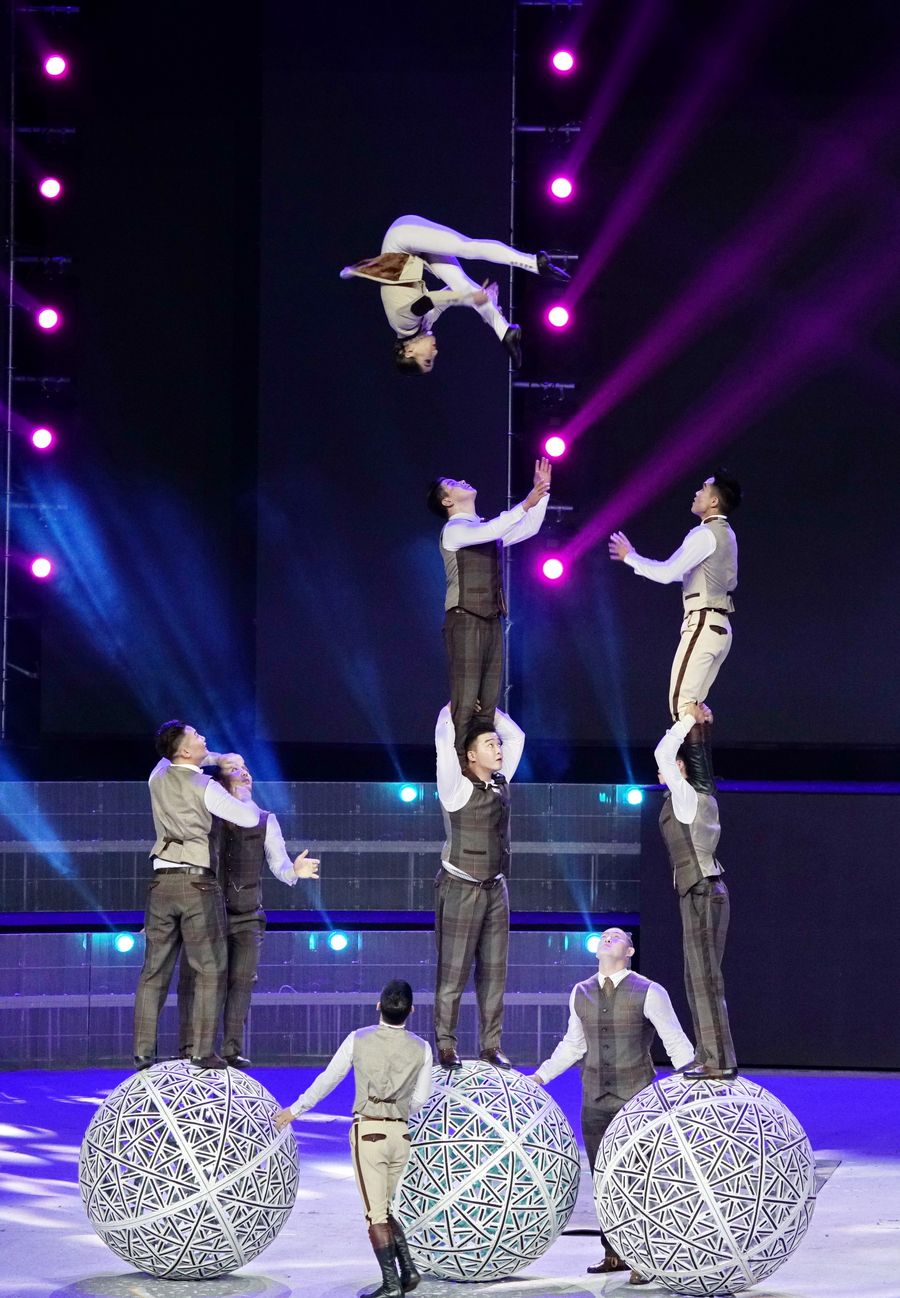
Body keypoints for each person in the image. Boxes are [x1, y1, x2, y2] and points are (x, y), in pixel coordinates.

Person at [534, 928, 694, 1284]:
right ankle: (614, 1253)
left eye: (617, 936)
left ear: (630, 952)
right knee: (604, 1182)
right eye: (605, 936)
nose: (608, 938)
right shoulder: (580, 992)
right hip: (594, 1100)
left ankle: (644, 1257)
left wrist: (692, 1084)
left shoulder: (649, 991)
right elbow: (573, 1045)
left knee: (638, 1180)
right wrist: (541, 1077)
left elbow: (675, 1041)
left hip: (635, 1102)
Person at [275, 980, 432, 1298]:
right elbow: (420, 1099)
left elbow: (328, 1080)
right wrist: (398, 1109)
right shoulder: (423, 1048)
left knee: (376, 1214)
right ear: (411, 1011)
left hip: (369, 1133)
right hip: (401, 1135)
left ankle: (391, 1285)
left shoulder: (358, 1039)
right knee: (385, 1207)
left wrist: (296, 1110)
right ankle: (408, 1271)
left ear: (379, 1006)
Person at [177, 753, 321, 1068]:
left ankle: (231, 1049)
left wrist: (295, 870)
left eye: (246, 769)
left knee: (242, 981)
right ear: (218, 780)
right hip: (207, 912)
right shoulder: (207, 814)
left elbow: (280, 865)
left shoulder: (265, 819)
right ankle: (190, 1047)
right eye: (234, 769)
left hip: (247, 915)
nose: (245, 773)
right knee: (198, 979)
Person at [133, 721, 260, 1071]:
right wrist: (243, 793)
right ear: (185, 750)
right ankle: (202, 1050)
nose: (204, 738)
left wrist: (218, 758)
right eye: (196, 736)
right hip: (196, 885)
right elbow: (247, 819)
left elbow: (169, 757)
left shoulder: (157, 776)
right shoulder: (205, 787)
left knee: (153, 971)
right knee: (210, 968)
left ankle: (142, 1052)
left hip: (161, 884)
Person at [341, 214, 570, 373]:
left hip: (402, 239)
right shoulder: (421, 327)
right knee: (463, 286)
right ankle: (504, 331)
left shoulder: (403, 324)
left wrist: (470, 298)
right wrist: (482, 297)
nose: (435, 353)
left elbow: (429, 300)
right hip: (415, 257)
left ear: (409, 351)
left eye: (427, 360)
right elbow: (449, 295)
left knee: (465, 247)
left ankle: (534, 262)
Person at [427, 458, 550, 752]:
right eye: (453, 484)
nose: (462, 481)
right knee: (466, 700)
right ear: (447, 501)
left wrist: (542, 492)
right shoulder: (453, 530)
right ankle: (460, 766)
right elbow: (492, 530)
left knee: (488, 703)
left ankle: (481, 768)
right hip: (464, 618)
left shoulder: (484, 528)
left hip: (491, 619)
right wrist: (526, 503)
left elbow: (528, 527)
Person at [433, 701, 524, 1070]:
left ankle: (491, 1045)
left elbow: (517, 737)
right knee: (453, 972)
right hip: (461, 886)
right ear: (471, 756)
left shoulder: (500, 782)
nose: (498, 748)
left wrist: (492, 712)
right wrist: (454, 707)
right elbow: (443, 741)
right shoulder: (455, 786)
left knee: (494, 972)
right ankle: (445, 1044)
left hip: (496, 888)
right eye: (489, 744)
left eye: (496, 744)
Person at [608, 471, 741, 721]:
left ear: (714, 501)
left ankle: (682, 747)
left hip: (703, 624)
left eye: (703, 489)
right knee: (693, 709)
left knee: (681, 706)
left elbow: (668, 572)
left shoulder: (705, 534)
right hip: (720, 628)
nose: (697, 493)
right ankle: (694, 744)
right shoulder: (727, 534)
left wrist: (630, 557)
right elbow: (685, 574)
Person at [655, 705, 737, 1080]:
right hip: (697, 891)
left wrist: (686, 720)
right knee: (696, 977)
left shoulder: (687, 798)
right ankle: (709, 1055)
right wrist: (700, 727)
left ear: (680, 767)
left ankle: (718, 1060)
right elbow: (697, 761)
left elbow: (663, 753)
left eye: (670, 767)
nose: (660, 771)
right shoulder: (689, 797)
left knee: (704, 978)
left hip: (703, 889)